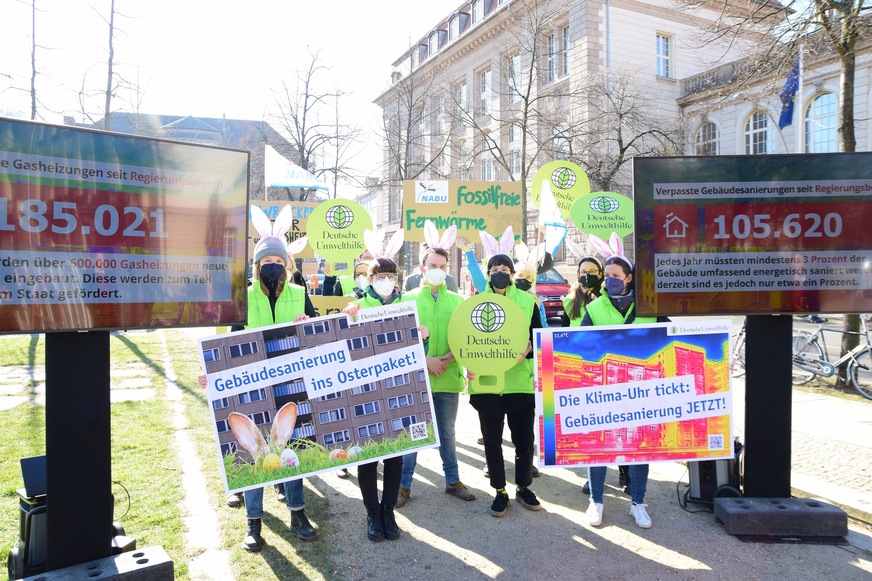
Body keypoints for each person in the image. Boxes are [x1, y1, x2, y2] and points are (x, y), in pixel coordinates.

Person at [233, 206, 319, 551]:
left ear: (288, 264)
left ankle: (297, 512)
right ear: (256, 266)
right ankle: (253, 523)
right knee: (255, 451)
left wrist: (306, 326)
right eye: (266, 261)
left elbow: (315, 335)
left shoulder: (299, 293)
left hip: (291, 384)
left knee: (291, 449)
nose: (273, 267)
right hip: (253, 386)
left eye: (279, 261)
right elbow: (230, 341)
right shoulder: (243, 295)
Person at [581, 248, 668, 529]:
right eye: (606, 276)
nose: (609, 280)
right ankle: (596, 502)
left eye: (615, 276)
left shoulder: (650, 308)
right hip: (603, 389)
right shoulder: (594, 309)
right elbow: (579, 346)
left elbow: (672, 340)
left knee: (639, 447)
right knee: (600, 446)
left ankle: (638, 504)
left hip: (640, 391)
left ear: (629, 278)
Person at [396, 223, 475, 508]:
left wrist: (449, 360)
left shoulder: (457, 301)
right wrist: (425, 360)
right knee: (414, 435)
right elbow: (400, 341)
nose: (438, 270)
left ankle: (452, 481)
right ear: (421, 267)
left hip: (448, 377)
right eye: (432, 264)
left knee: (447, 433)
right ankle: (403, 487)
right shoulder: (406, 300)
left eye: (442, 266)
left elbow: (465, 338)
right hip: (418, 379)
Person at [469, 227, 543, 518]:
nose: (499, 272)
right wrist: (469, 366)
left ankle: (523, 487)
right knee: (492, 443)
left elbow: (539, 339)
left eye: (505, 268)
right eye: (494, 268)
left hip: (518, 383)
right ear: (487, 274)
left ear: (513, 274)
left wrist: (529, 349)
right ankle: (499, 491)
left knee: (524, 442)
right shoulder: (474, 303)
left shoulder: (528, 302)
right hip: (487, 385)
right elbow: (465, 341)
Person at [561, 255, 629, 494]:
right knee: (593, 427)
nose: (586, 275)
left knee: (620, 424)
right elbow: (564, 336)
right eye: (582, 271)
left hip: (614, 367)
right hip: (587, 368)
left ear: (600, 274)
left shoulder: (609, 299)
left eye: (592, 271)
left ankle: (624, 470)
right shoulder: (570, 302)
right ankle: (594, 476)